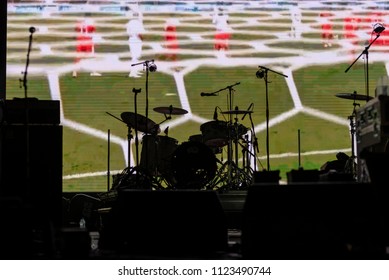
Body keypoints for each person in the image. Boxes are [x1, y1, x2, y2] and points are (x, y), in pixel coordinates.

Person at [126, 5, 145, 78]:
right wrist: (142, 39)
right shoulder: (138, 23)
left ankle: (135, 70)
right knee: (135, 56)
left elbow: (128, 33)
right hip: (137, 40)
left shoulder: (130, 23)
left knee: (135, 56)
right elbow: (140, 34)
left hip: (131, 39)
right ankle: (132, 72)